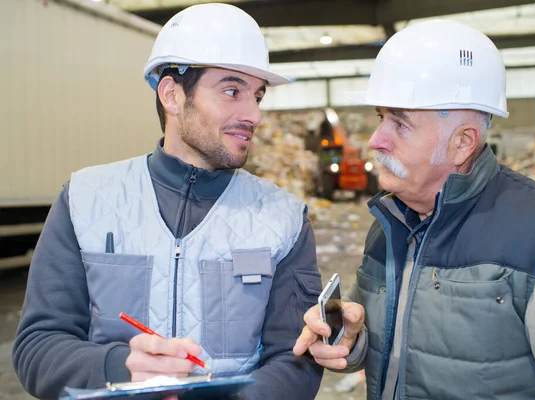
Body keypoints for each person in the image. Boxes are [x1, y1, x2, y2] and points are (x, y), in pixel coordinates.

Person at [13, 4, 323, 399]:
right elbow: (37, 346)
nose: (253, 115)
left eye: (257, 96)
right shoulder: (85, 199)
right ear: (172, 95)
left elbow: (296, 358)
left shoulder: (284, 218)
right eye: (232, 91)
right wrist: (117, 367)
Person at [294, 19, 535, 399]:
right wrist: (350, 338)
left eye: (399, 124)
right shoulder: (391, 224)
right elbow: (392, 343)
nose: (376, 139)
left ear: (462, 143)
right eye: (380, 118)